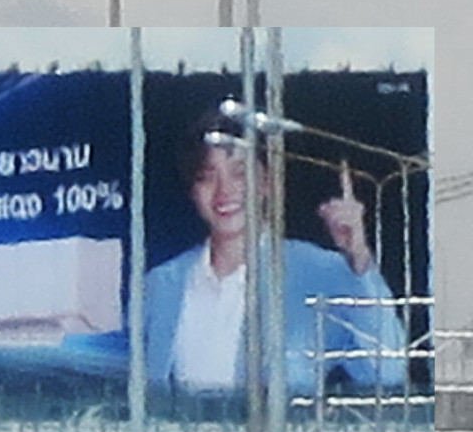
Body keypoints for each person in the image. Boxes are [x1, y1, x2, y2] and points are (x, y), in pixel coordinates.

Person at [144, 109, 408, 412]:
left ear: (267, 181)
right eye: (207, 177)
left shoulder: (320, 273)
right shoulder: (160, 284)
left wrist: (360, 260)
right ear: (192, 190)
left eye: (240, 173)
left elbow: (388, 373)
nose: (224, 191)